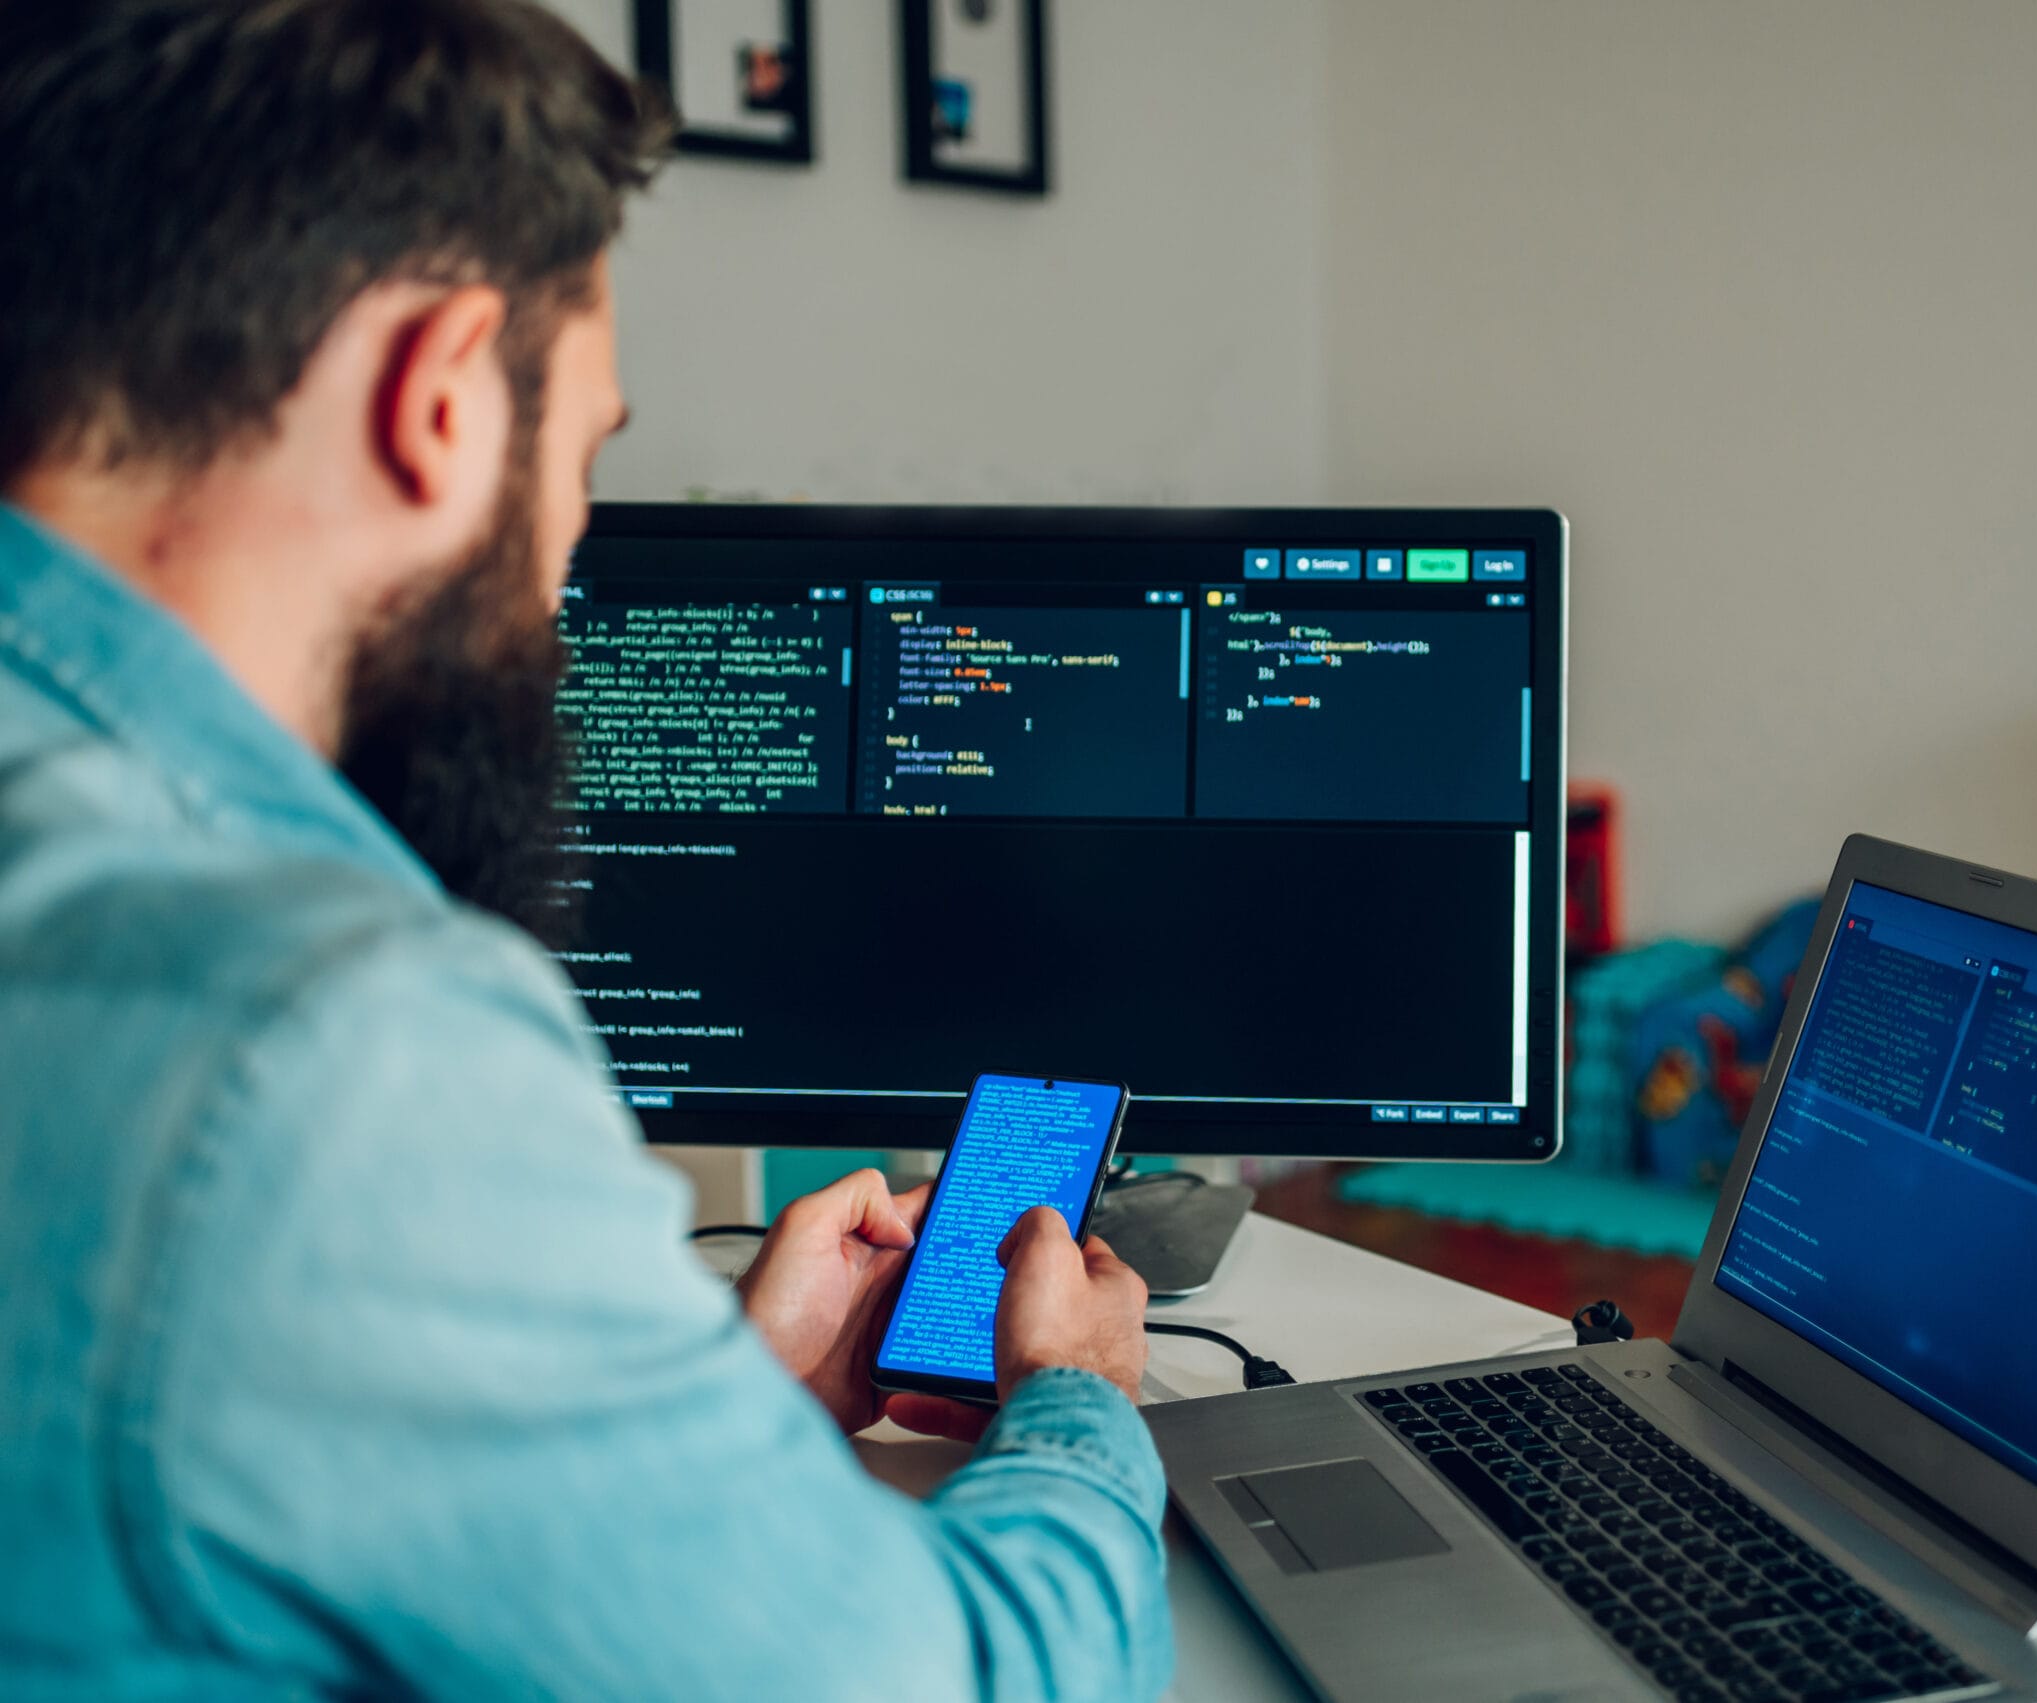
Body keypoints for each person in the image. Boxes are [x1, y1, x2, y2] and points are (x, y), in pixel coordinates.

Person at [0, 3, 1170, 1699]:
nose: (567, 564)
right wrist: (1076, 1398)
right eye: (587, 455)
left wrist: (713, 1408)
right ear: (442, 393)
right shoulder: (331, 1036)